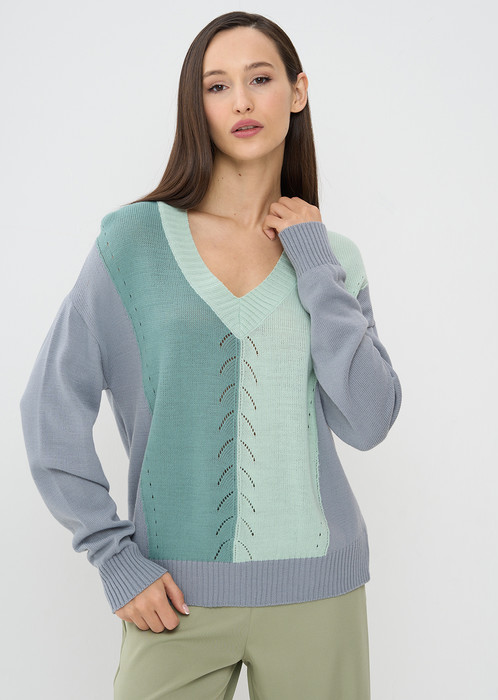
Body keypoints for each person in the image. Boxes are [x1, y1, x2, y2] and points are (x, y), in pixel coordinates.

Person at [19, 10, 402, 700]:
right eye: (216, 86)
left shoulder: (332, 257)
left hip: (320, 593)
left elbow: (369, 420)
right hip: (171, 598)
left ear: (297, 91)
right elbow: (49, 409)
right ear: (196, 107)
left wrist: (315, 266)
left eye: (260, 79)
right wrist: (112, 556)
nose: (241, 102)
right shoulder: (132, 243)